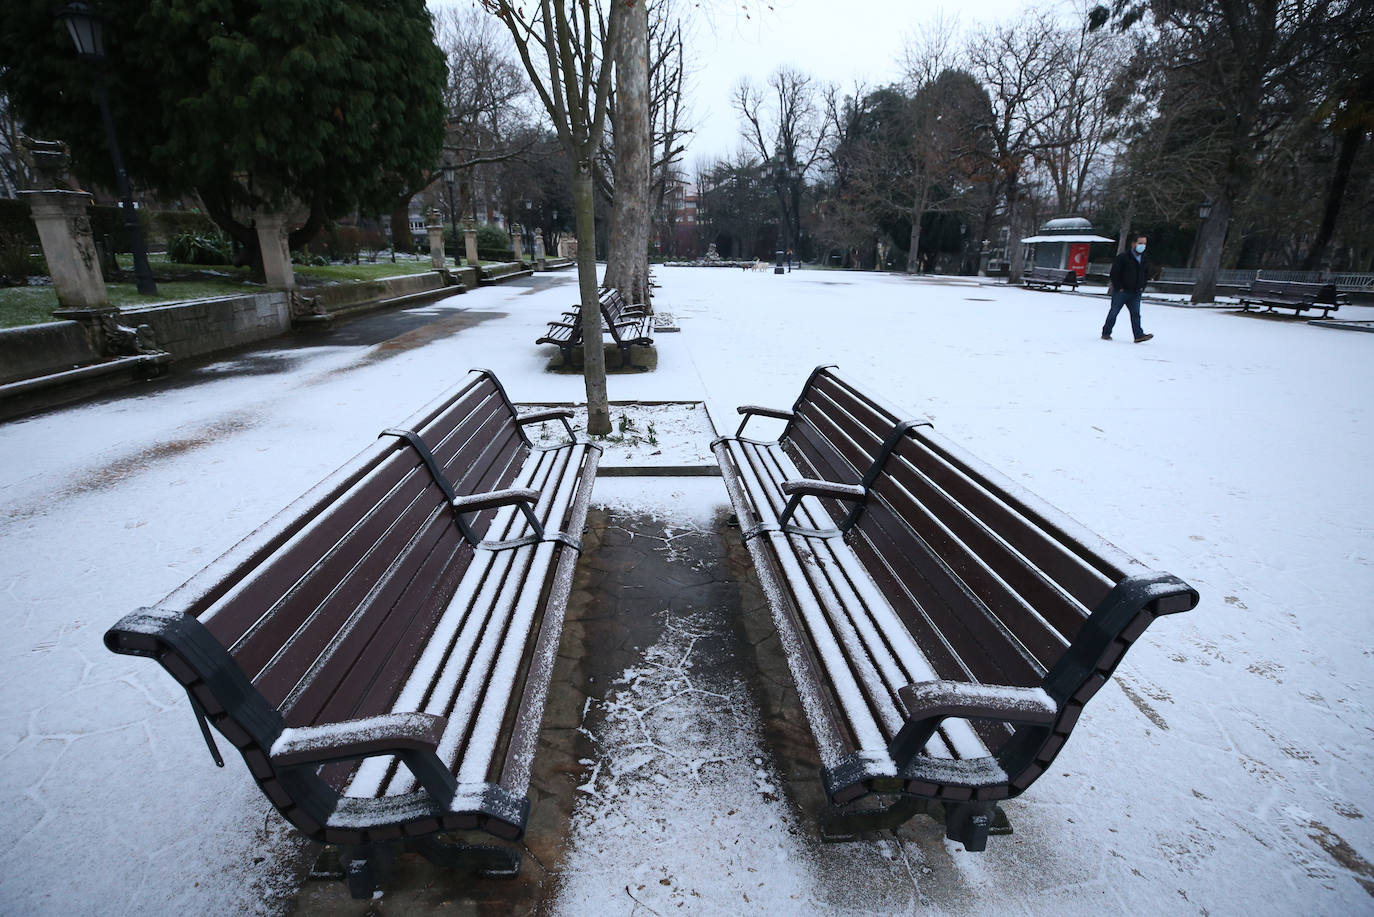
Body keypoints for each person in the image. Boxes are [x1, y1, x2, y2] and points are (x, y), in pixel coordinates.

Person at [1103, 234, 1154, 343]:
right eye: (1140, 243)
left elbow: (1146, 274)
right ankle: (1106, 333)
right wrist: (1119, 287)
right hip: (1122, 291)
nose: (1142, 246)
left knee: (1136, 314)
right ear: (1133, 244)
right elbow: (1114, 273)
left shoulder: (1144, 258)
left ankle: (1138, 335)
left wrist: (1142, 287)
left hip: (1135, 292)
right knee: (1114, 312)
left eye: (1144, 244)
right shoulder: (1123, 257)